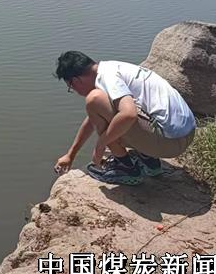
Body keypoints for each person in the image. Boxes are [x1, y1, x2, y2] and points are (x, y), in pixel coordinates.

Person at [53, 51, 196, 185]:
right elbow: (93, 119)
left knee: (94, 99)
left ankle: (127, 169)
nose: (76, 92)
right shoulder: (111, 68)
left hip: (170, 142)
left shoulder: (107, 78)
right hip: (185, 136)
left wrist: (101, 145)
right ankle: (149, 162)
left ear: (76, 80)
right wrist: (70, 155)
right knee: (103, 107)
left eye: (71, 88)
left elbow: (128, 114)